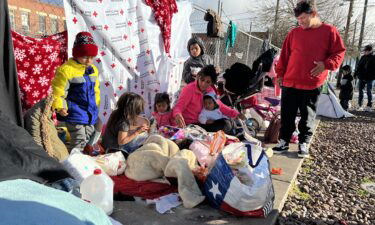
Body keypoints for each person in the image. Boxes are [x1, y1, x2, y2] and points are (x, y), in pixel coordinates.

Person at [273, 0, 346, 158]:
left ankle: (303, 143)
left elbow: (339, 52)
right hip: (290, 81)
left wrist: (326, 64)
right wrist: (280, 74)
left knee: (308, 115)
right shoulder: (294, 33)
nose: (301, 22)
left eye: (304, 18)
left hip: (312, 83)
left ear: (314, 14)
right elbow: (284, 56)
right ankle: (284, 141)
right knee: (287, 114)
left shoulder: (329, 31)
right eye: (298, 19)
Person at [52, 31, 100, 151]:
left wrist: (96, 104)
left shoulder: (93, 69)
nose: (89, 61)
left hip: (90, 111)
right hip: (75, 112)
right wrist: (60, 106)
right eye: (85, 57)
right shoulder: (66, 70)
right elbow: (59, 91)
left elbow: (96, 90)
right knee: (79, 139)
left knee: (89, 134)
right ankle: (74, 164)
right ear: (76, 54)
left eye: (92, 57)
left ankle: (83, 160)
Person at [173, 65, 243, 134]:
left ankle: (235, 131)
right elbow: (179, 106)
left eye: (208, 82)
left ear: (212, 83)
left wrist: (235, 114)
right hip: (192, 125)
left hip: (206, 122)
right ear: (198, 77)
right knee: (226, 125)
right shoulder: (189, 89)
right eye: (202, 80)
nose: (203, 84)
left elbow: (219, 106)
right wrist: (177, 114)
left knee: (228, 122)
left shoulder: (210, 90)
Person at [354, 44, 375, 111]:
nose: (365, 52)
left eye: (366, 51)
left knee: (369, 91)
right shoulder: (363, 57)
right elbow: (359, 66)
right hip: (361, 77)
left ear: (370, 51)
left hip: (370, 78)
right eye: (364, 51)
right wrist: (356, 73)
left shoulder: (374, 58)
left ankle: (369, 106)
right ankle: (360, 105)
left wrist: (372, 76)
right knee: (360, 91)